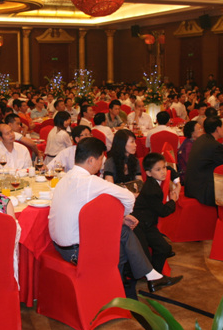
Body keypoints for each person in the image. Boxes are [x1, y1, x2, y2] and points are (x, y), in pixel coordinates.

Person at [49, 137, 182, 293]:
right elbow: (128, 196)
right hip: (76, 252)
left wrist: (120, 219)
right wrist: (124, 215)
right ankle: (126, 285)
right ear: (91, 160)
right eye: (101, 159)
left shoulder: (64, 178)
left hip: (60, 247)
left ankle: (138, 280)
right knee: (123, 237)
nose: (102, 163)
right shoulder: (89, 181)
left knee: (122, 234)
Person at [132, 153, 179, 272]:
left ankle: (156, 274)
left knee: (164, 248)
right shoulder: (151, 190)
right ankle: (155, 275)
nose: (163, 172)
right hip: (141, 225)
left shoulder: (154, 182)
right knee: (160, 250)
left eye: (164, 167)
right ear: (148, 173)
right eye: (158, 170)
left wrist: (176, 179)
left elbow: (171, 170)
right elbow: (163, 211)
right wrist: (173, 200)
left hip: (147, 222)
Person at [184, 116, 223, 207]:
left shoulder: (201, 139)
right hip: (203, 191)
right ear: (218, 129)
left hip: (192, 186)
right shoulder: (215, 146)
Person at [176, 120, 203, 185]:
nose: (202, 131)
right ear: (192, 133)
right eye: (199, 129)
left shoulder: (191, 141)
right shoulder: (189, 146)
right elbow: (191, 164)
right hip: (188, 178)